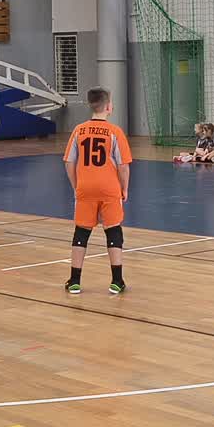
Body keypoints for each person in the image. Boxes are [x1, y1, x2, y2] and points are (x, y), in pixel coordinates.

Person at [63, 86, 133, 294]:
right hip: (109, 188)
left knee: (81, 232)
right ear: (109, 106)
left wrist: (76, 185)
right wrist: (124, 188)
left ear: (90, 105)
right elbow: (123, 166)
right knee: (113, 230)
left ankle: (74, 280)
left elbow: (69, 162)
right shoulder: (115, 132)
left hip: (85, 188)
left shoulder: (79, 130)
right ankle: (117, 281)